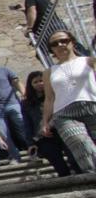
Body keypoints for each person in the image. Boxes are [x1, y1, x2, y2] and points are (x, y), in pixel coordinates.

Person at [40, 30, 96, 173]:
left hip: (91, 105)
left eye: (64, 40)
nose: (60, 45)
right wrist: (45, 121)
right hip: (64, 113)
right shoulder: (49, 72)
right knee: (80, 143)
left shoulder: (89, 61)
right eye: (54, 43)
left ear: (72, 42)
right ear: (51, 49)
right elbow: (49, 98)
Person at [22, 69, 80, 177]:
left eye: (42, 80)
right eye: (35, 82)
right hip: (43, 137)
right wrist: (30, 143)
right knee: (59, 165)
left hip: (63, 129)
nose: (40, 84)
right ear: (30, 85)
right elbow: (27, 124)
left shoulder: (57, 94)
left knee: (74, 160)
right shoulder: (27, 103)